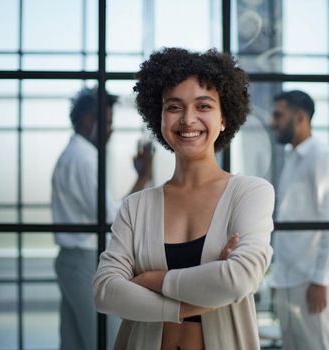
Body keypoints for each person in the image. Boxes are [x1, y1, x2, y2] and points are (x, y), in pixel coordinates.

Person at [93, 47, 275, 350]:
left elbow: (237, 279)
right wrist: (191, 304)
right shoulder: (136, 206)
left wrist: (151, 280)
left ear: (224, 118)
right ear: (159, 117)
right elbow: (104, 291)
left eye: (203, 106)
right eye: (174, 107)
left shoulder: (251, 193)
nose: (188, 120)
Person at [52, 87, 152, 350]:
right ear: (88, 120)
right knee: (106, 341)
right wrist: (143, 177)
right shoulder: (84, 158)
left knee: (74, 342)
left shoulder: (72, 154)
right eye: (107, 122)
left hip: (72, 260)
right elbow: (110, 217)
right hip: (84, 261)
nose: (110, 130)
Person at [269, 90, 329, 350]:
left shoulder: (322, 157)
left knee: (317, 345)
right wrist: (278, 277)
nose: (272, 122)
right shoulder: (292, 157)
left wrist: (321, 279)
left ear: (299, 117)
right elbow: (286, 223)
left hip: (310, 279)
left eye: (278, 115)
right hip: (289, 277)